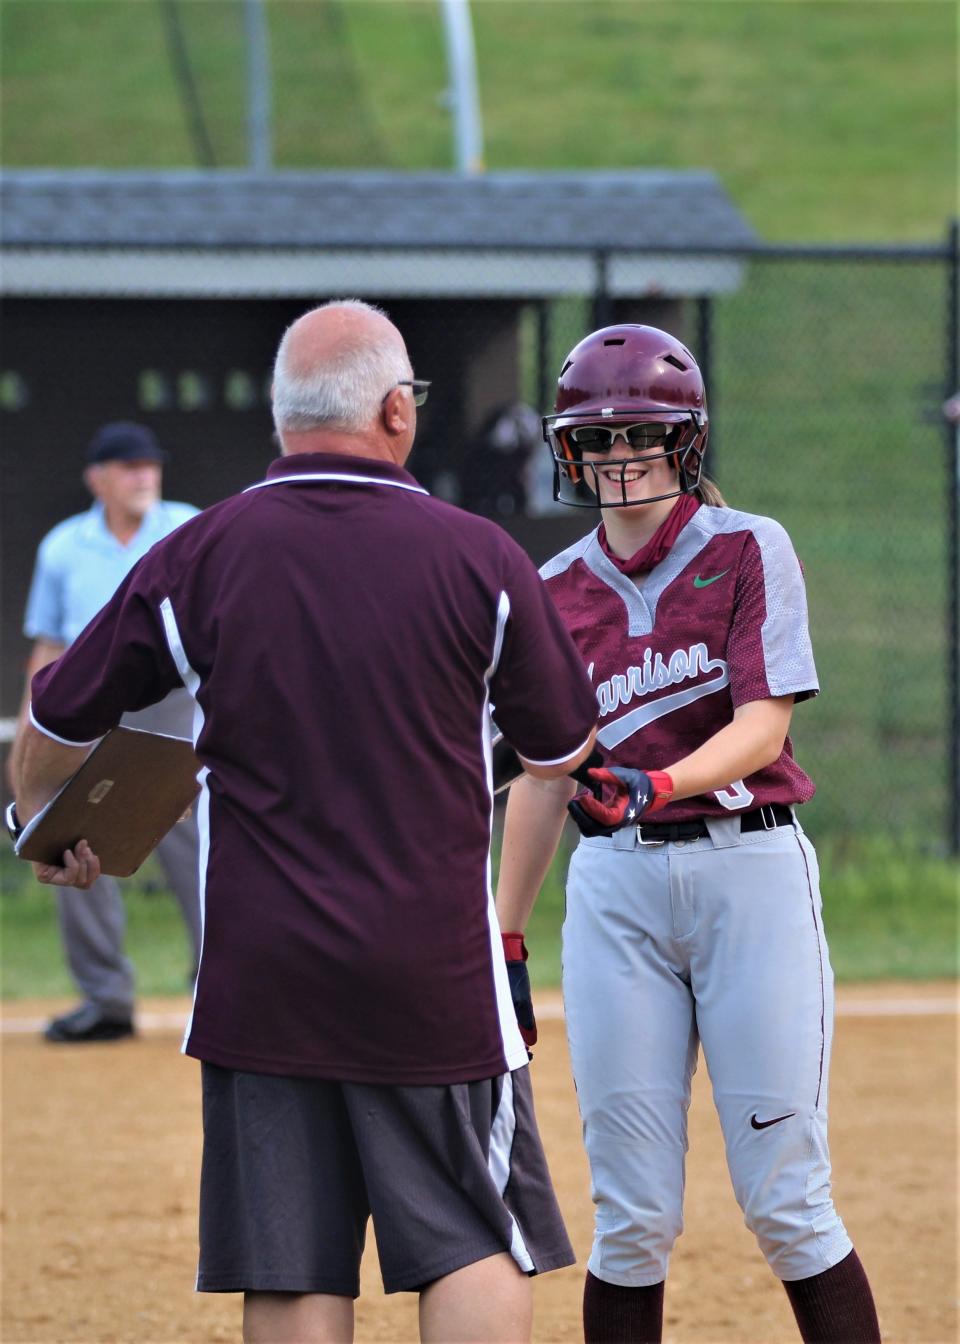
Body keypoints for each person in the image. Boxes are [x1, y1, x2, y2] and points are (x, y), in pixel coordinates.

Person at [13, 300, 599, 1344]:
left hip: (261, 973)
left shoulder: (199, 555)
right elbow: (559, 752)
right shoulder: (482, 558)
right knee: (474, 1236)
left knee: (289, 1262)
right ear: (393, 412)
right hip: (433, 972)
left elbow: (55, 709)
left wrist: (37, 823)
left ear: (285, 421)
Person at [495, 324, 882, 1343]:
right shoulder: (552, 590)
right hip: (615, 888)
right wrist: (505, 932)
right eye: (599, 438)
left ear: (686, 443)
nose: (620, 457)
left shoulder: (750, 546)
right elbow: (541, 780)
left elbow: (764, 725)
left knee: (787, 1202)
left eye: (643, 435)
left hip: (746, 867)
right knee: (631, 1217)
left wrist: (655, 779)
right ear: (568, 451)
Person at [8, 421, 202, 1043]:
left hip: (175, 712)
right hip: (88, 715)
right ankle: (105, 999)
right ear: (98, 479)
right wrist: (31, 734)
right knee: (71, 847)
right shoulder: (64, 546)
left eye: (151, 465)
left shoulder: (189, 525)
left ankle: (221, 986)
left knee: (203, 852)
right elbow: (48, 646)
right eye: (129, 466)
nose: (145, 474)